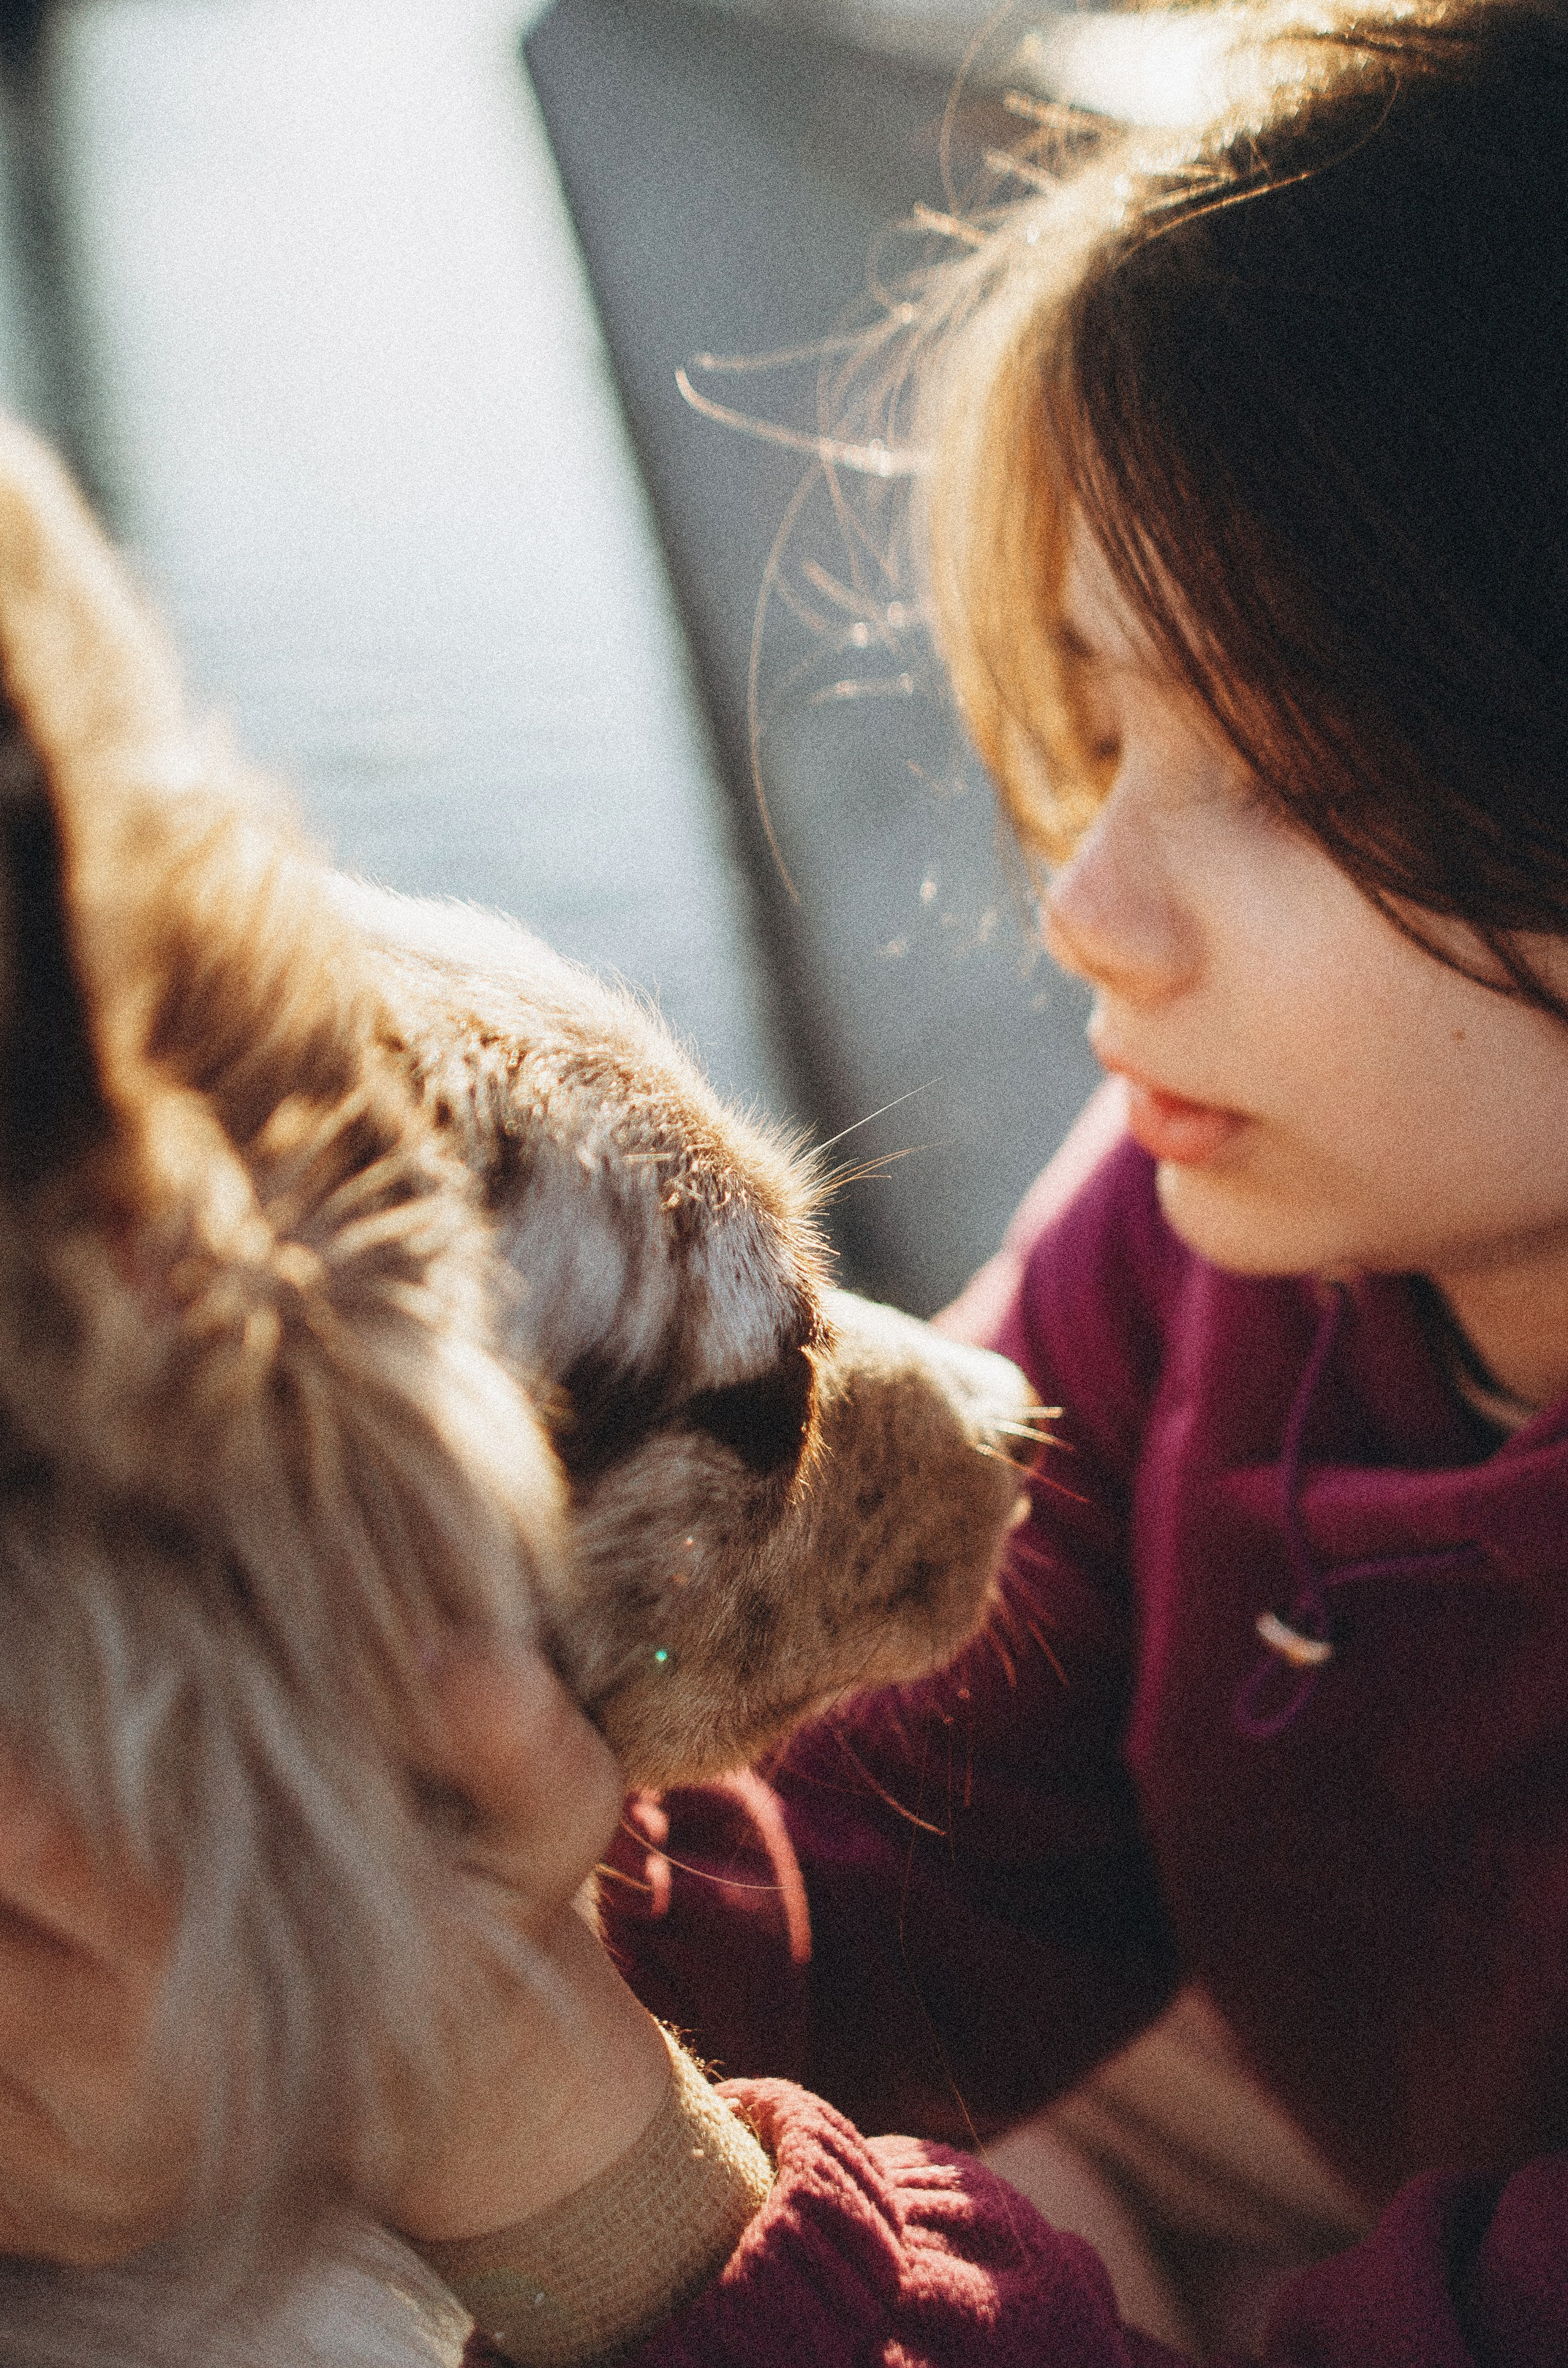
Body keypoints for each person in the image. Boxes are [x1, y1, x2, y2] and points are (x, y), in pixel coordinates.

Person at [9, 0, 1568, 2361]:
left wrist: (530, 2117)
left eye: (1296, 772)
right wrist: (372, 1882)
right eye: (1105, 723)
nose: (1089, 909)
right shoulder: (1237, 1238)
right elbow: (907, 1851)